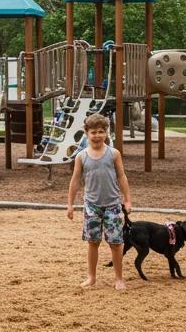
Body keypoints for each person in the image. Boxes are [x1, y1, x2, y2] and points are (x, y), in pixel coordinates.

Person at [66, 113, 132, 290]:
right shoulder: (81, 156)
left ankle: (119, 278)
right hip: (91, 206)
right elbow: (75, 181)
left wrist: (127, 200)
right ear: (87, 132)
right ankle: (91, 277)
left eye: (101, 132)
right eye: (93, 132)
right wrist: (70, 204)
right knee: (93, 242)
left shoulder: (114, 154)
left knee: (116, 242)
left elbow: (122, 176)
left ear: (106, 133)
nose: (97, 135)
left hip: (112, 204)